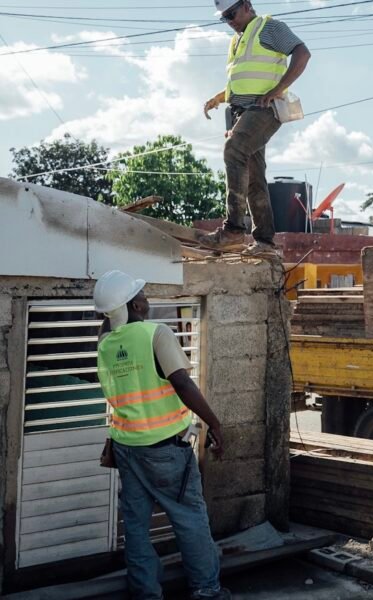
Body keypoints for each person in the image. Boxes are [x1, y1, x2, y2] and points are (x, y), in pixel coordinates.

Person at [94, 270, 228, 600]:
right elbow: (182, 382)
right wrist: (215, 423)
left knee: (137, 527)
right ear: (134, 305)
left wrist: (114, 314)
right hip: (165, 449)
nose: (147, 299)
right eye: (142, 296)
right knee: (189, 518)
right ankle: (207, 590)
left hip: (126, 447)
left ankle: (145, 592)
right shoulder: (157, 334)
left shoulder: (105, 345)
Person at [199, 0, 311, 257]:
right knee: (253, 177)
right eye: (224, 17)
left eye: (232, 13)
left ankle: (234, 229)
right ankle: (265, 242)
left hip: (265, 110)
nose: (229, 21)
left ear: (247, 5)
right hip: (242, 112)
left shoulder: (269, 28)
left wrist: (277, 90)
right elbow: (243, 81)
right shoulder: (237, 41)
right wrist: (219, 98)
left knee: (234, 149)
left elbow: (302, 53)